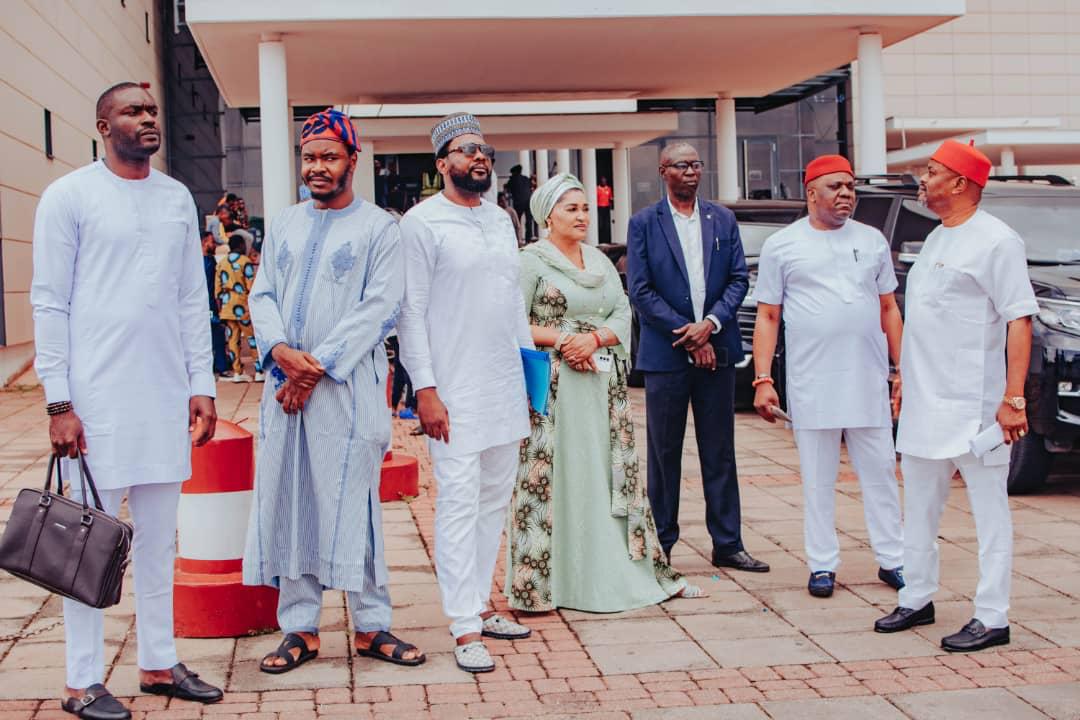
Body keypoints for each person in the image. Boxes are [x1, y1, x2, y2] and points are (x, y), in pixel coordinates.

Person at [32, 81, 221, 720]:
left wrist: (202, 385)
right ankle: (81, 681)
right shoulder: (69, 196)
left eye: (151, 111)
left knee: (159, 542)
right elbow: (49, 302)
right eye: (131, 112)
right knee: (88, 546)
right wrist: (58, 403)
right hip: (96, 404)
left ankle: (159, 662)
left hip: (164, 397)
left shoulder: (175, 198)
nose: (146, 119)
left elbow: (192, 299)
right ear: (102, 126)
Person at [242, 109, 424, 673]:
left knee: (355, 502)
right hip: (284, 389)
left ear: (352, 159)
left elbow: (381, 305)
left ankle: (371, 624)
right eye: (309, 157)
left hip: (345, 390)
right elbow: (261, 294)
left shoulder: (379, 228)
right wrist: (280, 353)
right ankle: (299, 628)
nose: (316, 167)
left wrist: (314, 368)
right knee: (292, 500)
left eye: (329, 156)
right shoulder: (285, 223)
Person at [506, 174, 699, 613]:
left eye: (585, 209)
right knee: (559, 475)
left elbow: (622, 312)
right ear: (548, 215)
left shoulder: (599, 260)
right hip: (554, 390)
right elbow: (513, 321)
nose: (582, 217)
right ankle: (550, 583)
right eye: (571, 209)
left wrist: (593, 340)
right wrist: (564, 340)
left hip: (601, 386)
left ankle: (615, 571)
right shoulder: (530, 261)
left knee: (604, 472)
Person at [875, 140, 1038, 652]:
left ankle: (992, 616)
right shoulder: (936, 237)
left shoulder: (997, 241)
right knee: (919, 508)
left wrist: (1014, 398)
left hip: (975, 407)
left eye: (931, 171)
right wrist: (903, 378)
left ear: (961, 183)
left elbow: (1019, 319)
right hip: (925, 403)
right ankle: (916, 597)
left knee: (990, 514)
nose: (923, 180)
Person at [398, 113, 533, 673]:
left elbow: (513, 303)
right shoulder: (421, 223)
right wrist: (425, 389)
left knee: (493, 500)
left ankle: (479, 603)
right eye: (466, 149)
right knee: (457, 501)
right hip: (453, 389)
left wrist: (531, 378)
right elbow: (410, 312)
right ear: (442, 163)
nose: (479, 157)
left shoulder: (501, 219)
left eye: (484, 150)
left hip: (505, 384)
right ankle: (463, 625)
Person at [751, 155, 905, 598]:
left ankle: (893, 559)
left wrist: (903, 370)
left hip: (867, 378)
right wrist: (763, 378)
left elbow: (889, 308)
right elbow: (768, 315)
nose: (846, 194)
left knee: (880, 473)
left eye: (850, 187)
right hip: (812, 381)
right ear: (811, 192)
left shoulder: (872, 240)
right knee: (818, 479)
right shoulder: (783, 245)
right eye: (836, 186)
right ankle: (822, 565)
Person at [626, 142, 768, 573]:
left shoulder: (722, 219)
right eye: (681, 165)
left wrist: (710, 324)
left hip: (717, 350)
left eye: (696, 164)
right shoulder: (644, 223)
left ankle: (728, 543)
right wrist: (689, 335)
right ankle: (662, 545)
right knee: (664, 454)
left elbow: (739, 280)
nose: (691, 171)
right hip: (667, 355)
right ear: (663, 171)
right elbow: (640, 290)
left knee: (719, 450)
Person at [215, 235, 263, 382]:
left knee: (233, 339)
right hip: (243, 304)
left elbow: (217, 290)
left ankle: (237, 372)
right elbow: (250, 286)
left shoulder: (222, 263)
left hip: (227, 305)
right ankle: (259, 371)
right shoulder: (244, 261)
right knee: (251, 338)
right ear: (241, 245)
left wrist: (220, 308)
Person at [202, 230, 230, 376]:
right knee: (216, 334)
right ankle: (220, 365)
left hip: (209, 305)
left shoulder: (207, 261)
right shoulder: (206, 262)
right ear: (204, 242)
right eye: (211, 242)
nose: (214, 245)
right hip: (209, 306)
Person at [506, 164, 533, 242]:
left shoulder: (512, 180)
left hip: (518, 203)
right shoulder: (526, 179)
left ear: (514, 172)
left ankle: (517, 239)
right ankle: (528, 239)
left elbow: (507, 190)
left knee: (517, 222)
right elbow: (530, 188)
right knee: (529, 222)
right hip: (528, 202)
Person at [596, 176, 613, 244]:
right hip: (600, 208)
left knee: (607, 225)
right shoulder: (597, 189)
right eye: (603, 181)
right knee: (601, 224)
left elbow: (610, 199)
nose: (604, 182)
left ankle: (607, 240)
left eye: (605, 181)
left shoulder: (608, 189)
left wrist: (611, 208)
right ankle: (601, 240)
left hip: (607, 208)